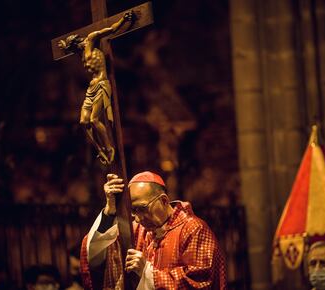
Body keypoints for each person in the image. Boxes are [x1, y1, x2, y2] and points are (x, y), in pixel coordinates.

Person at [80, 171, 227, 289]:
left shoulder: (193, 229)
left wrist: (147, 272)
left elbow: (200, 281)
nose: (137, 218)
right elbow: (97, 252)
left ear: (163, 200)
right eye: (133, 210)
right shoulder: (137, 230)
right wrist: (110, 209)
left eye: (142, 209)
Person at [58, 11, 134, 165]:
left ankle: (109, 147)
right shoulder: (79, 53)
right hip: (91, 88)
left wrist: (123, 20)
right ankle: (100, 150)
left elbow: (110, 30)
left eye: (72, 49)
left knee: (94, 119)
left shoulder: (91, 40)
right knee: (83, 122)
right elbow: (64, 49)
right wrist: (64, 47)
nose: (73, 53)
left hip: (101, 84)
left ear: (77, 44)